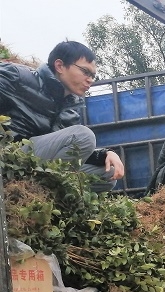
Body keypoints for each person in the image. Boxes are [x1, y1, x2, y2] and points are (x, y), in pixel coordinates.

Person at [0, 40, 125, 192]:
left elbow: (61, 149)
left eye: (93, 75)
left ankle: (36, 192)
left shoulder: (70, 110)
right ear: (59, 66)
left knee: (108, 175)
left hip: (34, 164)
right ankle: (33, 189)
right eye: (85, 72)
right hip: (10, 157)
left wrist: (104, 154)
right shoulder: (18, 77)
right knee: (84, 136)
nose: (90, 80)